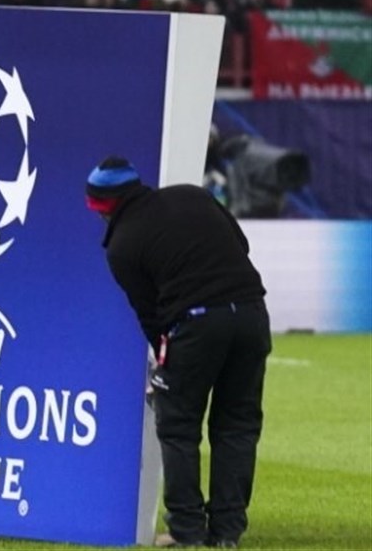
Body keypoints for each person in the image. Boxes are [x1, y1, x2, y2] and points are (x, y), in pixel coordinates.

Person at [85, 156, 271, 548]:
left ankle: (187, 530)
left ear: (104, 208)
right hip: (252, 313)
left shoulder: (121, 246)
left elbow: (150, 314)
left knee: (178, 426)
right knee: (237, 425)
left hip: (196, 324)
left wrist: (163, 364)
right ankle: (227, 532)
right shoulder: (193, 196)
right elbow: (241, 244)